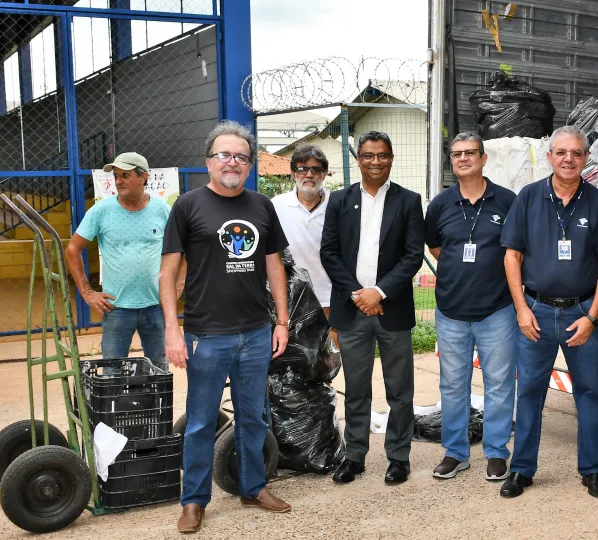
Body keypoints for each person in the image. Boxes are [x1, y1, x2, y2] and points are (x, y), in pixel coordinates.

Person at [160, 120, 293, 534]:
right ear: (209, 161)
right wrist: (172, 329)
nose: (232, 162)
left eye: (240, 156)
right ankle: (194, 501)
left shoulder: (261, 206)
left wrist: (283, 321)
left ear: (249, 165)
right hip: (206, 336)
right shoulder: (188, 206)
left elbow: (275, 266)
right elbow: (167, 274)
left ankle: (254, 487)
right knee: (200, 421)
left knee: (254, 418)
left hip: (256, 333)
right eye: (224, 155)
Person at [499, 125, 598, 499]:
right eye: (561, 152)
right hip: (535, 312)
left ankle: (593, 471)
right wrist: (521, 309)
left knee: (588, 392)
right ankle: (521, 470)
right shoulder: (529, 197)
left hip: (580, 313)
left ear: (585, 159)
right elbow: (511, 256)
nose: (569, 159)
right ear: (551, 157)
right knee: (531, 392)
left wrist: (592, 317)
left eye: (576, 153)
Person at [320, 131, 424, 485]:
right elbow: (329, 253)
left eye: (382, 155)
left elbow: (412, 256)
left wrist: (379, 292)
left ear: (391, 158)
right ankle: (354, 456)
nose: (375, 161)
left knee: (400, 390)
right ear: (358, 159)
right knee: (357, 388)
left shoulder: (409, 201)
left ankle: (398, 457)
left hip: (391, 310)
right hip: (352, 311)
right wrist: (358, 295)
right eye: (368, 155)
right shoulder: (338, 200)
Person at [425, 132, 517, 481]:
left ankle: (495, 452)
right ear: (452, 161)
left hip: (497, 310)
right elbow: (435, 247)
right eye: (456, 154)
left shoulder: (507, 201)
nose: (463, 158)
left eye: (470, 153)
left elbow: (516, 249)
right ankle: (456, 452)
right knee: (452, 385)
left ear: (483, 158)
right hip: (451, 310)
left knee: (498, 384)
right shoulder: (440, 204)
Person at [64, 152, 176, 373]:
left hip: (155, 305)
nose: (118, 181)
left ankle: (152, 409)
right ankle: (116, 408)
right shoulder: (101, 211)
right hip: (117, 307)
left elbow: (181, 250)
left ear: (143, 177)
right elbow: (72, 249)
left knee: (158, 368)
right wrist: (87, 292)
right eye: (116, 176)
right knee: (112, 371)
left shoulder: (162, 210)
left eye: (125, 175)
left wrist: (178, 285)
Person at [271, 144, 333, 317]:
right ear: (293, 173)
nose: (309, 174)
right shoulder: (276, 205)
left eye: (315, 169)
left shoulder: (337, 205)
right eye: (302, 169)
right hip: (290, 298)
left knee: (335, 344)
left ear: (324, 173)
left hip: (331, 297)